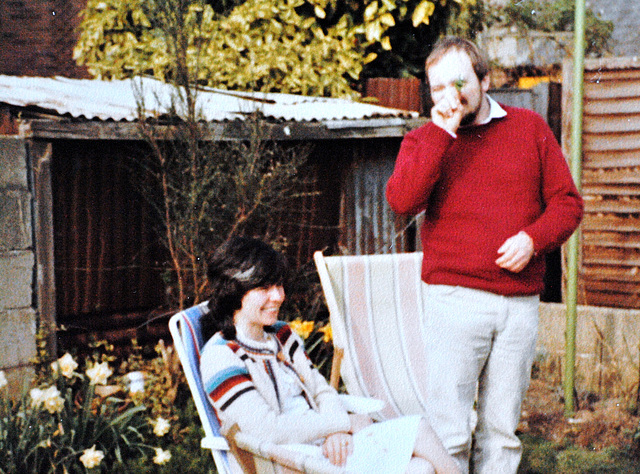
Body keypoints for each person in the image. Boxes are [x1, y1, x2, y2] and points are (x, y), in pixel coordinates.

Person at [385, 37, 583, 473]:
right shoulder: (424, 140)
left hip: (519, 306)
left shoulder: (529, 128)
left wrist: (533, 239)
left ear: (485, 80)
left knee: (501, 433)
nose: (448, 96)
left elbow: (568, 203)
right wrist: (442, 133)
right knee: (449, 431)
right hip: (454, 301)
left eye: (458, 82)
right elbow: (402, 201)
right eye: (437, 88)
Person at [199, 236, 461, 474]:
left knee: (422, 465)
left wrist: (336, 431)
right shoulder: (222, 357)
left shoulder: (280, 334)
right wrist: (343, 423)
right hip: (286, 460)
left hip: (324, 448)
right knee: (418, 449)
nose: (278, 296)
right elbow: (269, 431)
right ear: (233, 290)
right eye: (264, 288)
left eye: (279, 285)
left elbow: (322, 390)